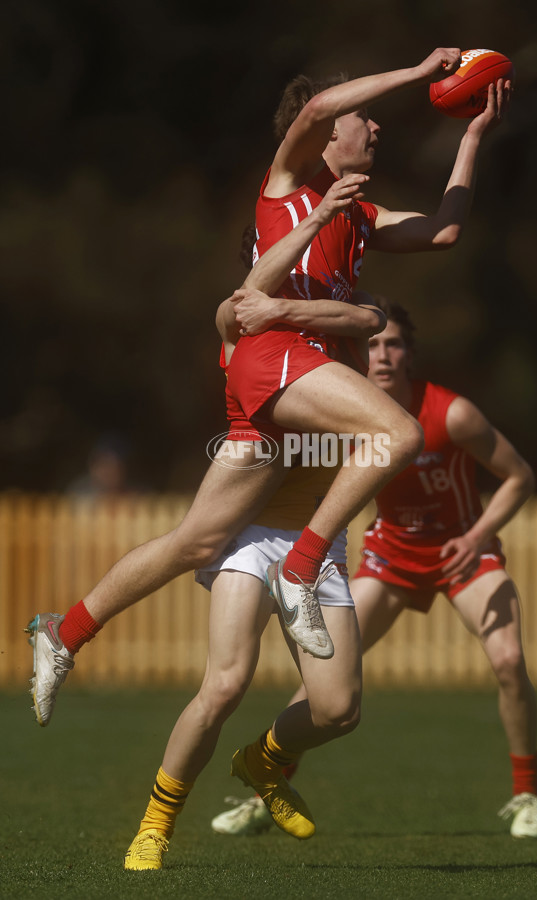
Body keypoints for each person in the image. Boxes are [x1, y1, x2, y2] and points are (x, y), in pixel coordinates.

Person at [26, 48, 509, 724]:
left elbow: (447, 229)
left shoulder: (360, 217)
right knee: (397, 431)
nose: (376, 128)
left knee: (194, 541)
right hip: (277, 359)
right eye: (363, 118)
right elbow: (315, 108)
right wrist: (420, 74)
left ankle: (64, 632)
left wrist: (473, 136)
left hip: (297, 386)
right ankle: (302, 566)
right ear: (329, 130)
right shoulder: (289, 182)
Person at [210, 298, 537, 840]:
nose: (383, 354)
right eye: (373, 344)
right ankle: (265, 787)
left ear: (410, 356)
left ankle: (527, 794)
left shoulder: (450, 414)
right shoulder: (341, 414)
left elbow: (520, 477)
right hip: (391, 555)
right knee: (324, 671)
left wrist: (476, 536)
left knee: (509, 660)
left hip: (463, 553)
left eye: (394, 344)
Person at [122, 272, 382, 872]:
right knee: (225, 684)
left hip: (318, 547)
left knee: (337, 710)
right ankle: (155, 826)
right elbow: (233, 310)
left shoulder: (345, 363)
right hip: (253, 537)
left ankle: (262, 761)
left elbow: (368, 318)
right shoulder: (253, 336)